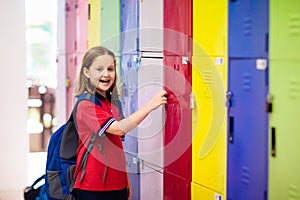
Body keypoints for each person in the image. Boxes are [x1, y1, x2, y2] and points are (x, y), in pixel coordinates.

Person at [72, 46, 168, 200]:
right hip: (92, 187)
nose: (106, 74)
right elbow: (119, 129)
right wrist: (150, 105)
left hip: (117, 185)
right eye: (99, 69)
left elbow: (117, 146)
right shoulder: (86, 105)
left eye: (110, 69)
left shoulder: (112, 103)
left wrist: (125, 180)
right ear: (86, 72)